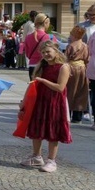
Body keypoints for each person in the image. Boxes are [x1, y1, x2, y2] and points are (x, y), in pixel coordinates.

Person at [19, 41, 72, 173]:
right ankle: (37, 156)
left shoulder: (63, 67)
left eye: (48, 51)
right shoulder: (42, 66)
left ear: (56, 50)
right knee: (37, 129)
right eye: (43, 53)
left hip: (55, 103)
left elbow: (60, 87)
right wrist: (24, 103)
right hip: (41, 101)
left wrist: (42, 80)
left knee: (53, 131)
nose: (46, 55)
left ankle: (51, 161)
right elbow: (32, 85)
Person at [65, 26, 88, 123]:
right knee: (81, 92)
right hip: (82, 69)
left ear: (74, 35)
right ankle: (77, 116)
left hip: (71, 69)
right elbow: (87, 59)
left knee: (70, 90)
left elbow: (65, 58)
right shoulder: (85, 46)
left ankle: (68, 112)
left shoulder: (70, 46)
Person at [24, 13, 51, 81]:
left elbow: (27, 54)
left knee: (34, 89)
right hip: (44, 66)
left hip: (32, 66)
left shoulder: (28, 37)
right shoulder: (48, 37)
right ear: (46, 23)